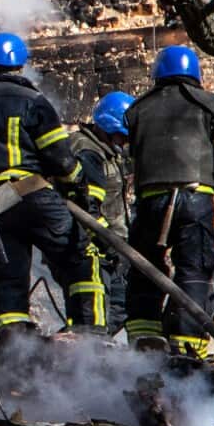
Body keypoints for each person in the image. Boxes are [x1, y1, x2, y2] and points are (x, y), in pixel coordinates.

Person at [0, 32, 106, 336]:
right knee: (82, 254)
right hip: (34, 195)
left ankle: (13, 346)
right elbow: (60, 159)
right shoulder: (33, 102)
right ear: (20, 66)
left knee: (9, 276)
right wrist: (77, 184)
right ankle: (90, 336)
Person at [124, 46, 214, 357]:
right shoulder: (212, 106)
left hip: (150, 201)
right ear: (196, 74)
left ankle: (143, 341)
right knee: (193, 269)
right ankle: (187, 347)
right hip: (195, 200)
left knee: (144, 268)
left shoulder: (137, 110)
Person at [69, 91, 135, 333]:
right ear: (110, 127)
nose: (124, 142)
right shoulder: (87, 151)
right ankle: (85, 358)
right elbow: (89, 206)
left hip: (110, 243)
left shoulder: (105, 150)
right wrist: (109, 244)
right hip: (96, 245)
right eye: (122, 136)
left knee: (118, 306)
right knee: (98, 314)